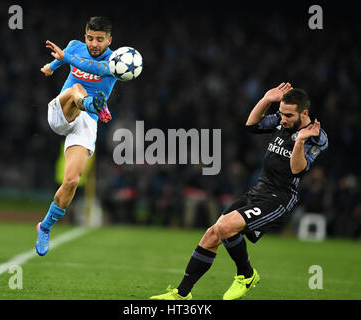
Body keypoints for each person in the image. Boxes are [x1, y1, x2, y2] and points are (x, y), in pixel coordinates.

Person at [150, 82, 329, 300]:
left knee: (225, 226)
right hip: (259, 191)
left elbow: (296, 169)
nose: (283, 119)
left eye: (288, 115)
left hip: (279, 199)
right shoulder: (283, 122)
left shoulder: (315, 136)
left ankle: (247, 275)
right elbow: (251, 125)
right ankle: (182, 294)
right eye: (281, 113)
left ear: (304, 113)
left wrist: (300, 141)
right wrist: (265, 100)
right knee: (212, 234)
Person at [35, 16, 117, 256]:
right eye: (90, 38)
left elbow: (92, 67)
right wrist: (50, 68)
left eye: (100, 40)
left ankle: (45, 226)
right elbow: (61, 61)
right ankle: (93, 104)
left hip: (86, 124)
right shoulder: (73, 47)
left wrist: (63, 60)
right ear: (85, 37)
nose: (94, 44)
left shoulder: (114, 61)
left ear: (109, 40)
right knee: (76, 89)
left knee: (71, 181)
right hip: (62, 111)